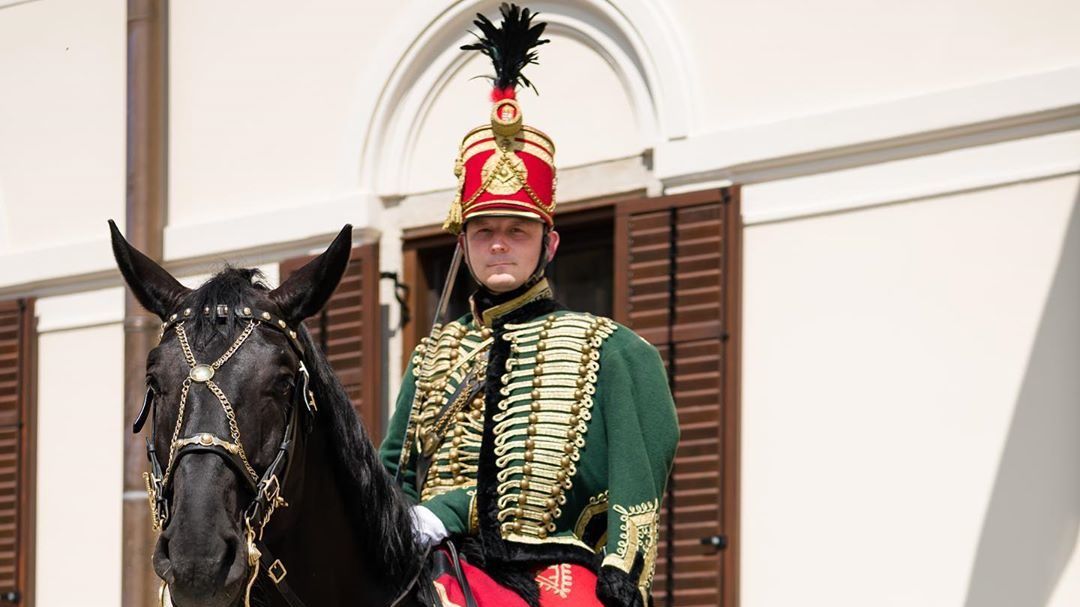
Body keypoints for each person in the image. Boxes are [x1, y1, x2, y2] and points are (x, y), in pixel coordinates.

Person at [378, 4, 679, 606]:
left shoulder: (614, 350)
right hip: (438, 567)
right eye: (484, 229)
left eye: (516, 230)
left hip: (558, 568)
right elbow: (392, 468)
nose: (497, 243)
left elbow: (639, 474)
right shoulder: (435, 353)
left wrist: (622, 572)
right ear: (462, 242)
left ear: (549, 243)